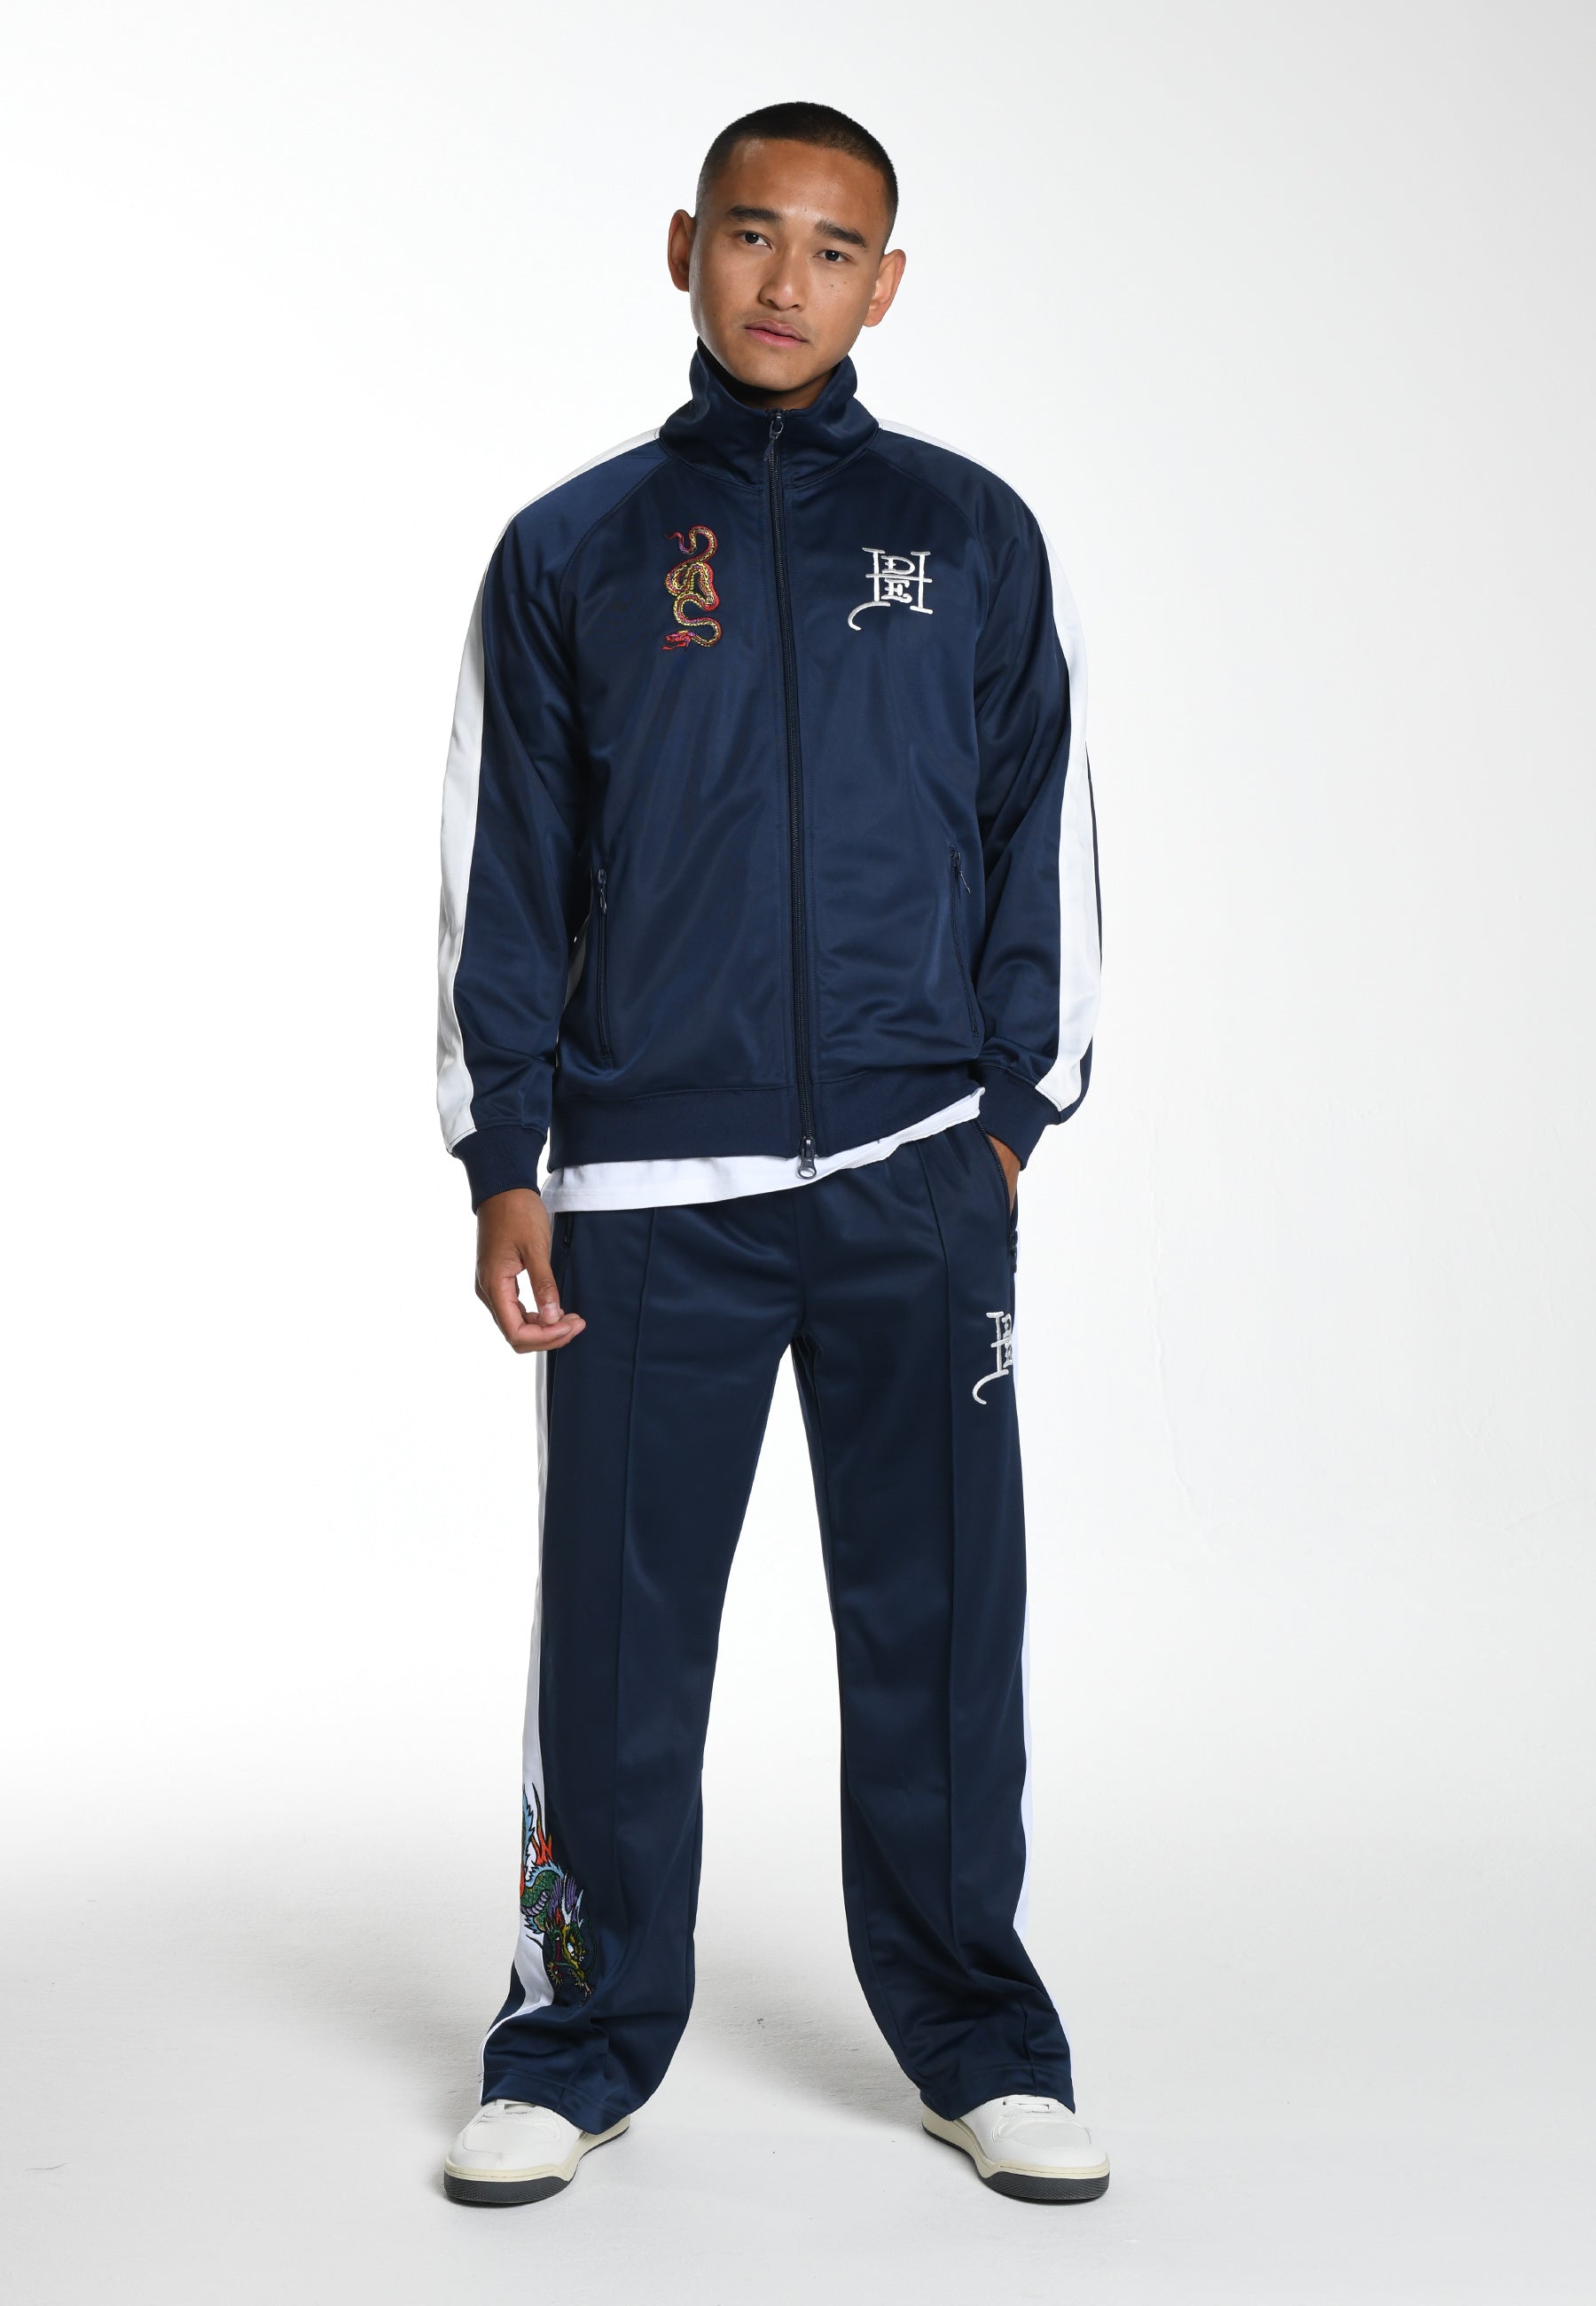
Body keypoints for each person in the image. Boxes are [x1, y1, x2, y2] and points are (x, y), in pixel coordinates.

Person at [435, 100, 1106, 2208]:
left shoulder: (972, 535)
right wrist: (505, 1151)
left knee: (942, 1631)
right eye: (751, 235)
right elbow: (502, 869)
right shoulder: (573, 551)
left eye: (831, 249)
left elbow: (1042, 834)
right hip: (649, 1197)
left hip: (917, 1176)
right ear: (684, 248)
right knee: (614, 1647)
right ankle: (576, 2037)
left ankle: (980, 2039)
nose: (784, 281)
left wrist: (1008, 1121)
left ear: (885, 283)